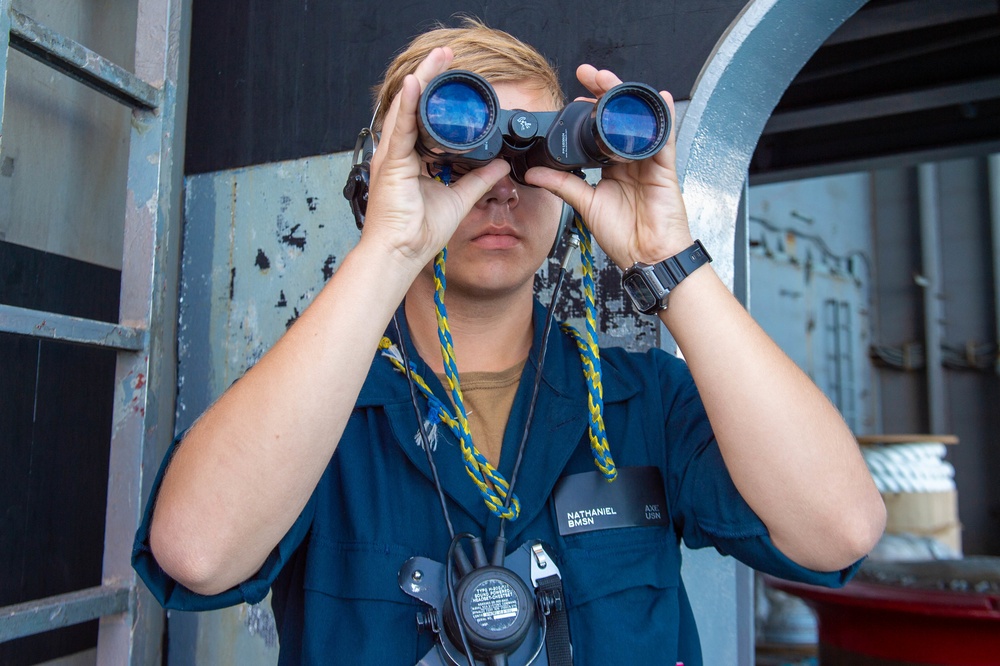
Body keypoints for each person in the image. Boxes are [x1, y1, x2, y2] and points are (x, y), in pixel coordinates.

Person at [133, 17, 886, 665]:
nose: (500, 188)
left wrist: (669, 261)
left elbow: (838, 530)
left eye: (535, 160)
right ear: (387, 175)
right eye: (459, 157)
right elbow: (198, 555)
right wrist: (388, 247)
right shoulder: (317, 412)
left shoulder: (644, 400)